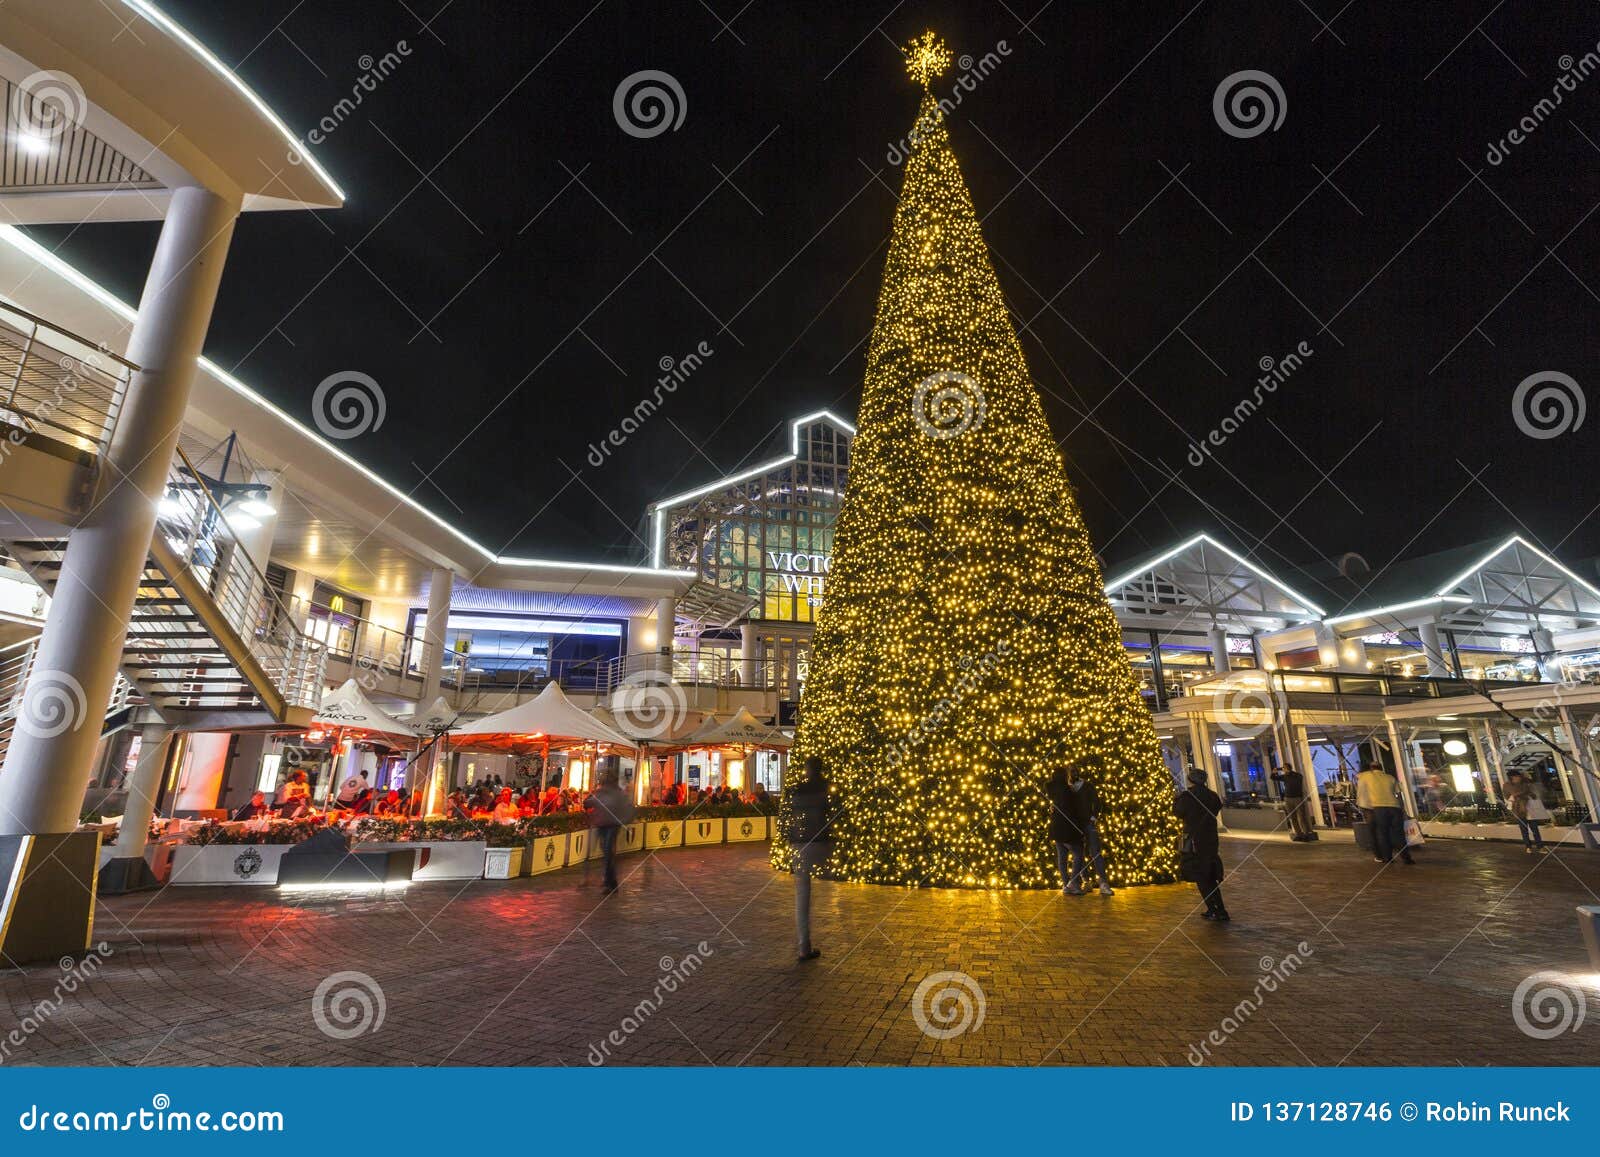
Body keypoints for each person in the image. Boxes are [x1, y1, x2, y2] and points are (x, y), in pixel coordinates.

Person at [787, 756, 834, 963]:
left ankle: (803, 948)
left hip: (800, 844)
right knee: (830, 878)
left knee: (802, 898)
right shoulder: (827, 788)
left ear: (807, 769)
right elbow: (833, 814)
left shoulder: (797, 789)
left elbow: (789, 818)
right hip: (821, 844)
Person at [1046, 766, 1113, 896]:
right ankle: (1084, 881)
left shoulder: (1086, 786)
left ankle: (1103, 883)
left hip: (1087, 824)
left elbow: (1096, 802)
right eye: (1070, 773)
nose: (1073, 774)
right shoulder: (1066, 789)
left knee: (1095, 852)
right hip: (1074, 826)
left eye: (1075, 772)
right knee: (1079, 854)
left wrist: (1093, 816)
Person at [1174, 768, 1228, 921]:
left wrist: (1176, 800)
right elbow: (1217, 809)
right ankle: (1218, 908)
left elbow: (1178, 813)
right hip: (1210, 838)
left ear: (1191, 780)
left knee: (1201, 876)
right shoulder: (1212, 796)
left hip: (1192, 839)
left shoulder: (1187, 796)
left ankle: (1215, 908)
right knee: (1209, 874)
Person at [584, 770, 636, 892]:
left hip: (609, 825)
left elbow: (592, 802)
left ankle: (610, 883)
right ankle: (610, 881)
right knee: (607, 853)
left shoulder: (608, 793)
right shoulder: (609, 792)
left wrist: (588, 802)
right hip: (605, 824)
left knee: (607, 853)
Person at [1356, 761, 1413, 866]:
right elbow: (1398, 794)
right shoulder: (1390, 777)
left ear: (1371, 768)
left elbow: (1358, 776)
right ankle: (1406, 858)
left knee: (1383, 833)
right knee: (1399, 834)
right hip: (1394, 807)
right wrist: (1402, 808)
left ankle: (1388, 858)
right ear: (1381, 768)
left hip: (1379, 808)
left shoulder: (1366, 776)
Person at [1503, 771, 1548, 854]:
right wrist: (1519, 795)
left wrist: (1524, 794)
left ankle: (1540, 846)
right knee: (1524, 829)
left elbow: (1531, 792)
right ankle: (1528, 846)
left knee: (1534, 828)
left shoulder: (1525, 782)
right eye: (1516, 776)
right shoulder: (1507, 785)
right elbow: (1508, 795)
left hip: (1529, 807)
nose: (1518, 778)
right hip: (1518, 808)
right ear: (1512, 777)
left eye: (1518, 776)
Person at [1270, 765, 1315, 841]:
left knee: (1301, 817)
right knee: (1292, 817)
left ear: (1287, 768)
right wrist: (1273, 773)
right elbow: (1273, 778)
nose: (1282, 769)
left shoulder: (1297, 775)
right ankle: (1299, 834)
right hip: (1288, 798)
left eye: (1283, 768)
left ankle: (1306, 834)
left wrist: (1288, 773)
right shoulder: (1284, 776)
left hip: (1297, 798)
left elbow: (1299, 778)